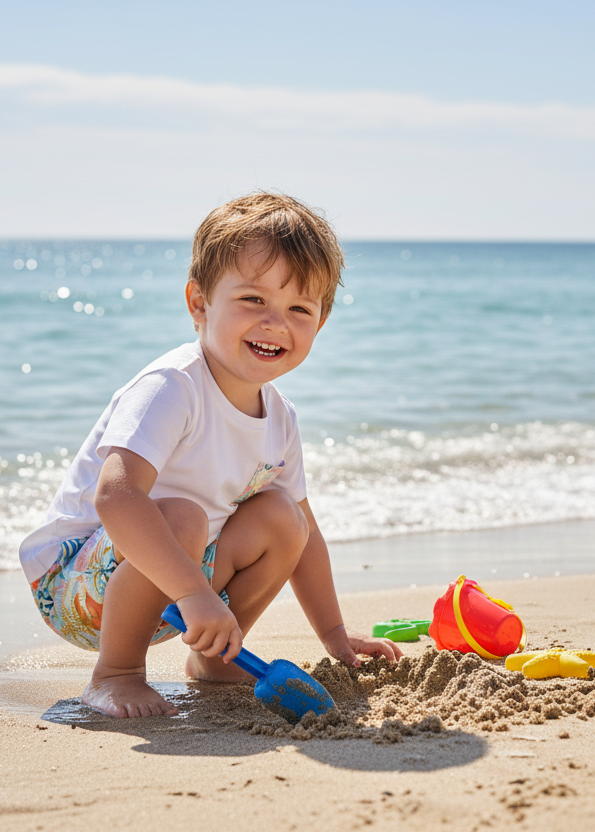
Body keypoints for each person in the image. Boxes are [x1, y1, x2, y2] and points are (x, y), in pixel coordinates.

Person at [19, 193, 401, 719]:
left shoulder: (281, 418)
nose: (275, 323)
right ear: (199, 304)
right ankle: (116, 672)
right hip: (78, 590)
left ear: (322, 321)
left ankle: (216, 659)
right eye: (252, 300)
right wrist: (195, 594)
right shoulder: (172, 386)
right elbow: (117, 495)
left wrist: (334, 634)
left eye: (298, 309)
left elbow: (305, 537)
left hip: (180, 593)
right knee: (182, 515)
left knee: (284, 519)